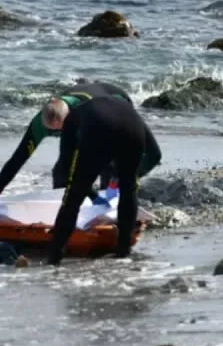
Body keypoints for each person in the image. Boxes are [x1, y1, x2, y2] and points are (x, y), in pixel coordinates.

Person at [0, 81, 139, 208]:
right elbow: (19, 158)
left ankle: (113, 210)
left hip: (116, 103)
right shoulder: (39, 123)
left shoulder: (89, 115)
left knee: (105, 167)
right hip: (80, 112)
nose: (59, 135)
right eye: (52, 132)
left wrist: (112, 183)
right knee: (61, 171)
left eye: (61, 130)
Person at [44, 94, 162, 265]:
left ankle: (54, 257)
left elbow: (65, 165)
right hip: (134, 128)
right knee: (129, 190)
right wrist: (124, 175)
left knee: (73, 196)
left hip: (100, 129)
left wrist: (87, 191)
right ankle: (123, 252)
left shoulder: (72, 119)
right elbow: (155, 153)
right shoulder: (121, 107)